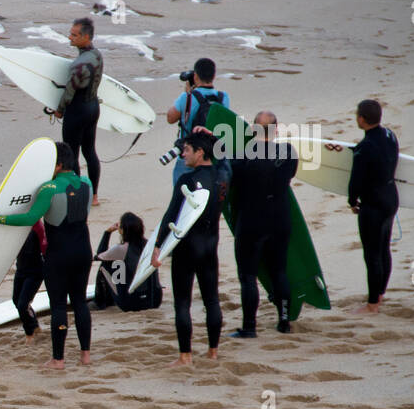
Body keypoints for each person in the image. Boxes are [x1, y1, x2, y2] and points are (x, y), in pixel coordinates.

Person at [0, 142, 93, 369]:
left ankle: (58, 360)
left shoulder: (49, 189)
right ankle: (85, 355)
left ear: (59, 164)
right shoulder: (88, 183)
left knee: (59, 306)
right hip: (83, 250)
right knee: (80, 301)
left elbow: (30, 218)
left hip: (59, 254)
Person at [151, 131, 224, 365]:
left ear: (200, 152)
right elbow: (225, 156)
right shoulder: (224, 176)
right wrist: (212, 137)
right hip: (211, 245)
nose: (182, 154)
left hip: (187, 248)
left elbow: (171, 214)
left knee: (183, 302)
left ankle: (185, 356)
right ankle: (213, 351)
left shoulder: (186, 180)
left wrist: (157, 247)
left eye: (187, 150)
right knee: (211, 300)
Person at [227, 111, 297, 337]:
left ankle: (249, 327)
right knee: (279, 271)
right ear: (276, 129)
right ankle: (284, 321)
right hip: (280, 217)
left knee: (247, 275)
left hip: (251, 220)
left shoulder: (241, 156)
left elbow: (229, 182)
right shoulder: (288, 152)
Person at [348, 99, 400, 315]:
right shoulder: (390, 135)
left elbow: (355, 181)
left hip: (374, 205)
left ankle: (372, 305)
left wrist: (352, 201)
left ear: (361, 119)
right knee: (384, 248)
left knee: (372, 255)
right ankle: (379, 293)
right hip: (390, 198)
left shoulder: (364, 148)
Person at [53, 18, 104, 205]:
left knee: (71, 153)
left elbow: (69, 92)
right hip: (92, 107)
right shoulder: (97, 55)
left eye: (74, 35)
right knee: (90, 151)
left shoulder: (78, 65)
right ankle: (95, 196)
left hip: (77, 111)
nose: (70, 37)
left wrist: (59, 110)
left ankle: (77, 193)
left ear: (86, 36)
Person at [165, 58, 230, 187]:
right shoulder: (223, 97)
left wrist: (187, 93)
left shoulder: (187, 97)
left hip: (188, 155)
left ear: (195, 76)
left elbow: (170, 118)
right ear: (214, 76)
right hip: (211, 156)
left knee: (181, 197)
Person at [93, 212, 162, 311]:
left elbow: (99, 255)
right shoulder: (150, 246)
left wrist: (107, 232)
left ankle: (100, 302)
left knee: (105, 265)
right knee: (122, 264)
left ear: (122, 230)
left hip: (131, 304)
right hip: (155, 300)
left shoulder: (121, 249)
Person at [13, 220, 46, 340]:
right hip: (20, 270)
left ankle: (29, 334)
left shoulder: (37, 226)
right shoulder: (16, 225)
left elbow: (45, 247)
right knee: (16, 301)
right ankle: (35, 325)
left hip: (35, 272)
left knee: (22, 305)